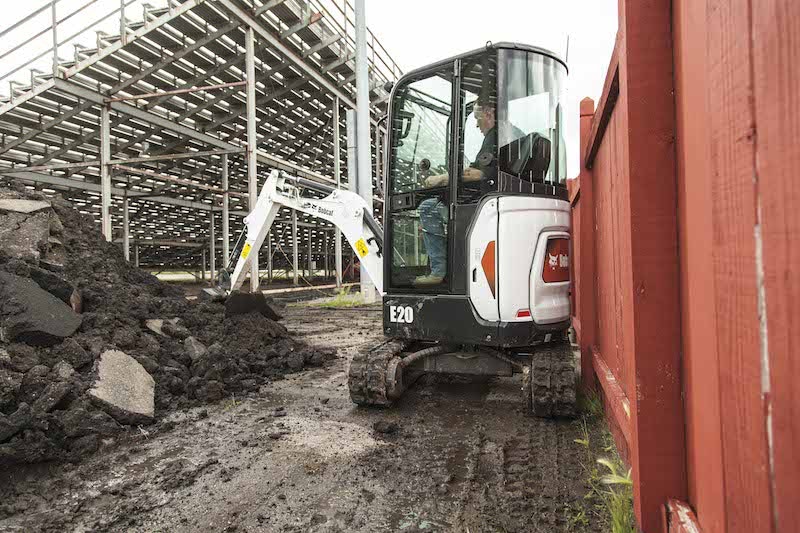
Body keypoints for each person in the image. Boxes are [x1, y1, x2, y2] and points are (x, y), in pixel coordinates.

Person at [414, 100, 499, 286]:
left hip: (482, 201)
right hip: (487, 198)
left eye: (478, 118)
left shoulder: (495, 136)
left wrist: (441, 179)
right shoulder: (504, 135)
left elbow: (477, 173)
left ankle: (438, 271)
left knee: (428, 207)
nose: (476, 124)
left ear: (489, 114)